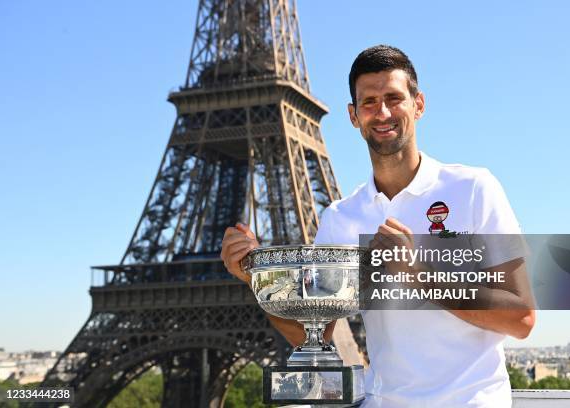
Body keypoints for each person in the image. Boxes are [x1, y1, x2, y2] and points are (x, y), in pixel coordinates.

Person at [221, 45, 536, 407]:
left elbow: (521, 317)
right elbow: (314, 337)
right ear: (354, 116)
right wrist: (258, 281)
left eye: (394, 98)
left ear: (418, 105)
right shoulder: (340, 218)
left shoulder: (473, 188)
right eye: (369, 102)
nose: (382, 112)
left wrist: (420, 274)